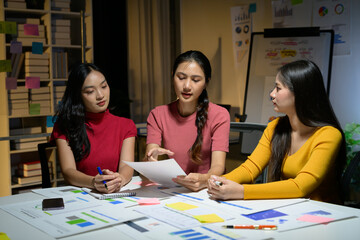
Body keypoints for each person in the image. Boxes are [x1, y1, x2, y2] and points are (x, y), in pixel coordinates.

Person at [207, 59, 346, 204]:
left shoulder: (329, 135)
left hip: (323, 215)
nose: (272, 94)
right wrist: (220, 181)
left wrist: (242, 192)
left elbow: (300, 187)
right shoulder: (275, 127)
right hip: (288, 208)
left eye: (278, 89)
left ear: (300, 93)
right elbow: (250, 168)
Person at [144, 50, 230, 191]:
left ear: (206, 83)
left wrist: (204, 179)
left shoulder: (220, 115)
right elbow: (150, 158)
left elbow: (218, 166)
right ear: (173, 76)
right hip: (173, 189)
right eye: (181, 77)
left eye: (195, 80)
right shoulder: (157, 114)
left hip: (207, 190)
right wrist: (151, 160)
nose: (187, 86)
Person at [51, 63, 137, 193]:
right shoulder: (65, 126)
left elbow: (126, 166)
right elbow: (68, 172)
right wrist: (93, 182)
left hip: (114, 195)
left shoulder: (126, 126)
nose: (100, 95)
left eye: (104, 86)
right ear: (78, 95)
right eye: (90, 91)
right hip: (81, 196)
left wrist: (120, 179)